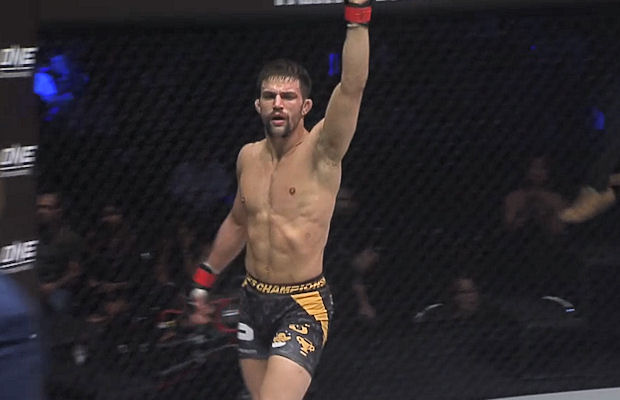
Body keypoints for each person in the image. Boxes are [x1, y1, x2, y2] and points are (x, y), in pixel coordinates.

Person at [190, 2, 371, 399]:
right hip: (252, 300)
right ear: (258, 105)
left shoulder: (322, 152)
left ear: (305, 107)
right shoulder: (248, 157)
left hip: (302, 304)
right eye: (269, 96)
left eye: (288, 96)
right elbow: (239, 222)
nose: (278, 103)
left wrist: (358, 16)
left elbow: (352, 86)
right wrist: (204, 280)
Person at [35, 192, 83, 315]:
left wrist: (53, 286)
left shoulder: (69, 238)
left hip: (58, 289)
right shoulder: (32, 236)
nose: (41, 211)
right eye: (39, 207)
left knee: (57, 305)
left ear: (58, 212)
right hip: (33, 287)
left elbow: (75, 273)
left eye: (47, 208)